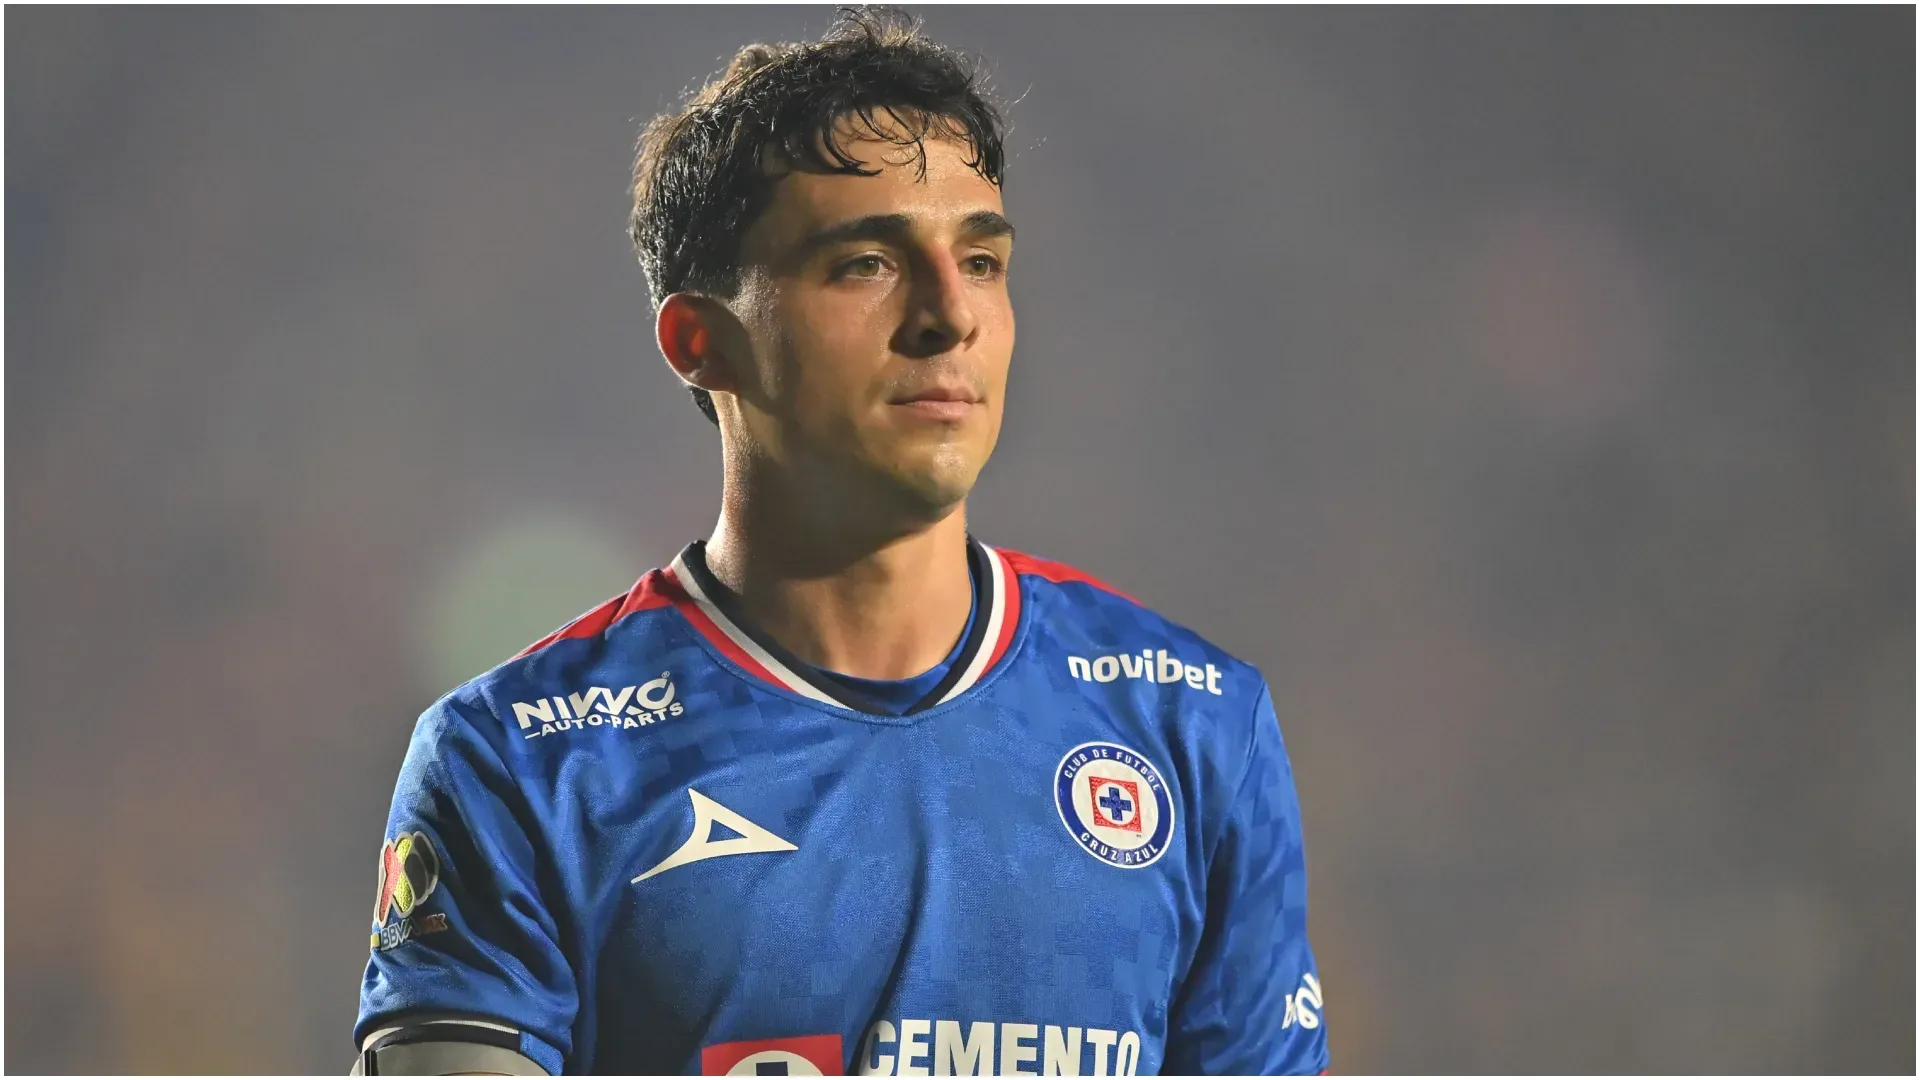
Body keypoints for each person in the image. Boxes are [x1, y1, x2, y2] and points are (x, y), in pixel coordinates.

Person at [354, 9, 1326, 1075]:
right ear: (700, 343)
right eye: (867, 262)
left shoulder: (1194, 723)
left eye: (984, 260)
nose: (950, 314)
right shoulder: (527, 761)